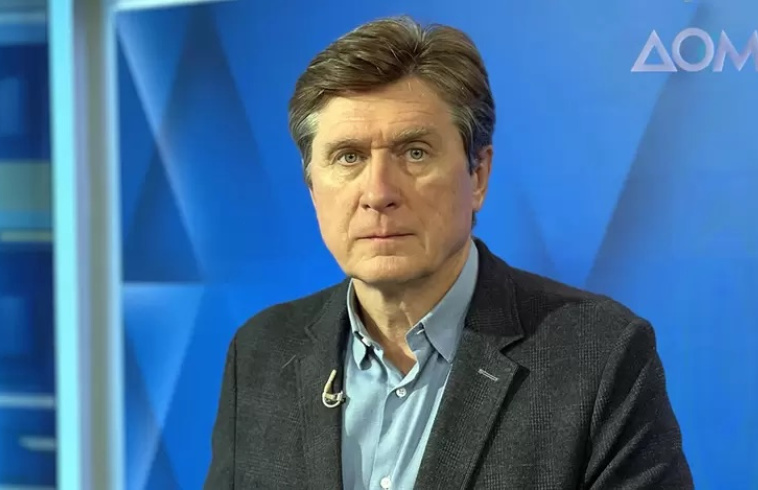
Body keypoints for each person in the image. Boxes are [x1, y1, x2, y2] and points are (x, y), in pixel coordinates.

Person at [204, 15, 693, 490]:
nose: (378, 192)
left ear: (477, 175)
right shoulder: (262, 352)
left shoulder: (598, 356)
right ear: (313, 188)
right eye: (348, 157)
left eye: (414, 152)